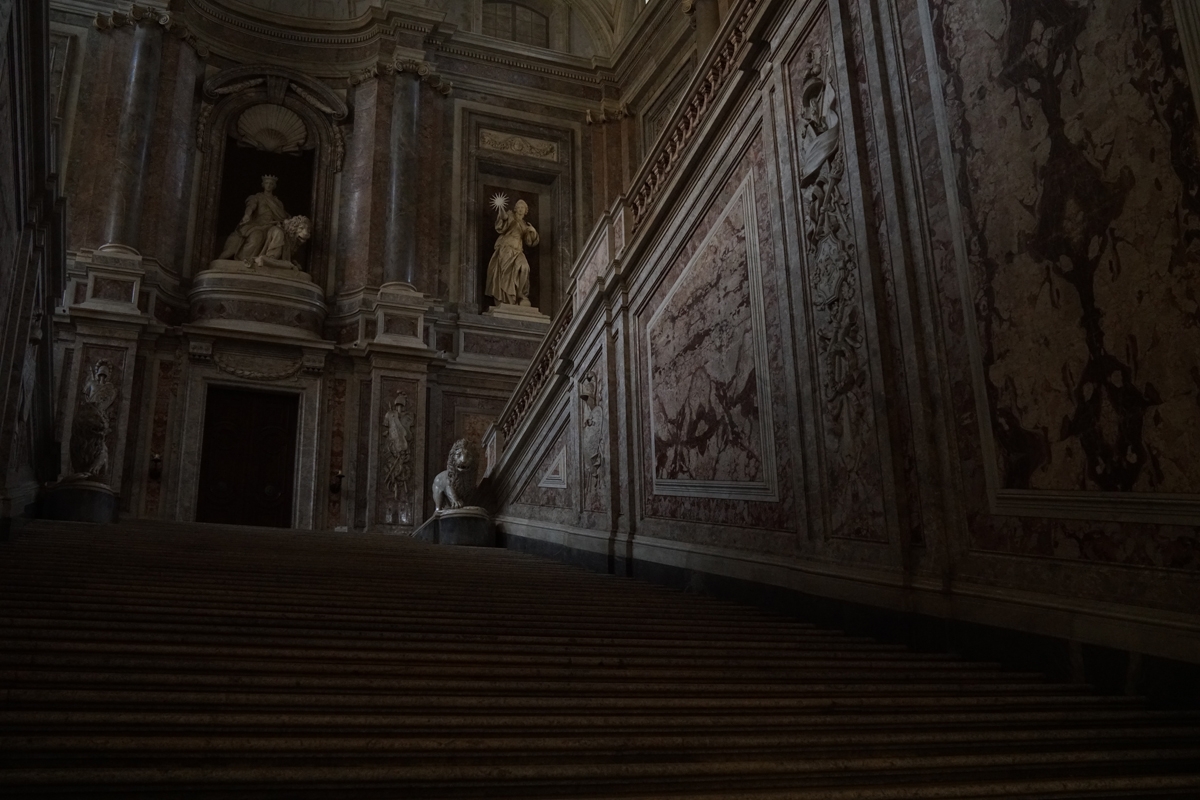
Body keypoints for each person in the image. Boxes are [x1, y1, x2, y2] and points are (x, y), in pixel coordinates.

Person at [218, 174, 289, 260]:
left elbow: (283, 216)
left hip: (272, 226)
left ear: (274, 186)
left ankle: (271, 258)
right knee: (255, 239)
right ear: (263, 185)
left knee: (279, 233)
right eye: (267, 183)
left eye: (271, 184)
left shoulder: (277, 202)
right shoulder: (258, 197)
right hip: (258, 225)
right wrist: (247, 214)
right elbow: (251, 206)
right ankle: (244, 261)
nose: (269, 185)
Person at [485, 198, 539, 307]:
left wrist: (533, 231)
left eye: (522, 207)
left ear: (525, 210)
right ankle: (507, 299)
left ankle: (521, 295)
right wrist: (500, 207)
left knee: (525, 268)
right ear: (515, 209)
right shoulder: (510, 216)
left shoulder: (525, 224)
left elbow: (530, 242)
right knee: (506, 274)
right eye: (518, 207)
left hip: (518, 251)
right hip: (506, 249)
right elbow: (503, 218)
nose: (520, 209)